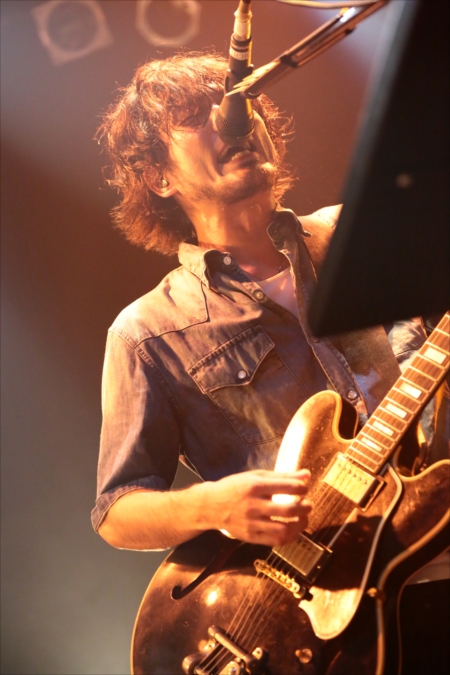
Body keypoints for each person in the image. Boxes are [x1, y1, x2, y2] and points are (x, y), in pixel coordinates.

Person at [92, 52, 448, 672]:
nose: (235, 119)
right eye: (200, 116)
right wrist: (217, 507)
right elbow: (116, 509)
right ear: (158, 177)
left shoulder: (364, 234)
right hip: (315, 618)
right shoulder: (147, 332)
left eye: (241, 101)